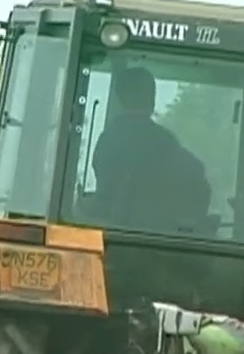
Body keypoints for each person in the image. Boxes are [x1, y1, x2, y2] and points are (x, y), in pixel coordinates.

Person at [90, 67, 211, 231]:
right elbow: (196, 174)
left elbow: (104, 191)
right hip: (157, 233)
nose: (152, 97)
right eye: (148, 91)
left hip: (115, 231)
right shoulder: (163, 140)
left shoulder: (108, 139)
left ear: (119, 98)